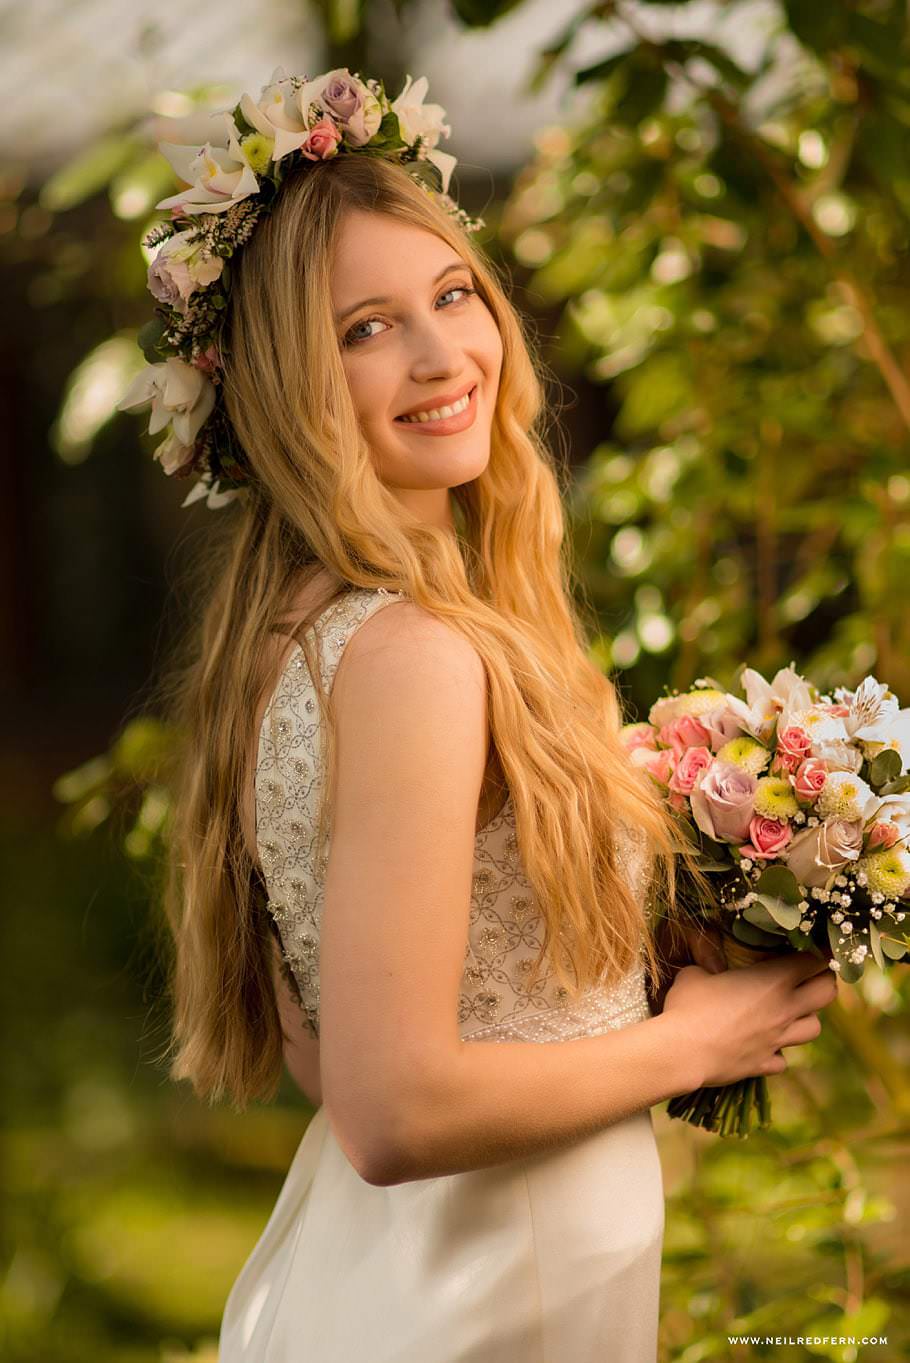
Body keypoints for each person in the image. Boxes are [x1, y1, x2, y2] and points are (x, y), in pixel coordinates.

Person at [119, 66, 839, 1363]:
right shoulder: (407, 657)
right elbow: (391, 1114)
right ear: (280, 383)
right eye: (364, 328)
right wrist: (694, 1044)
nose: (441, 354)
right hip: (464, 1301)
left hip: (434, 1271)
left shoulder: (301, 634)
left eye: (451, 297)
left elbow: (335, 1058)